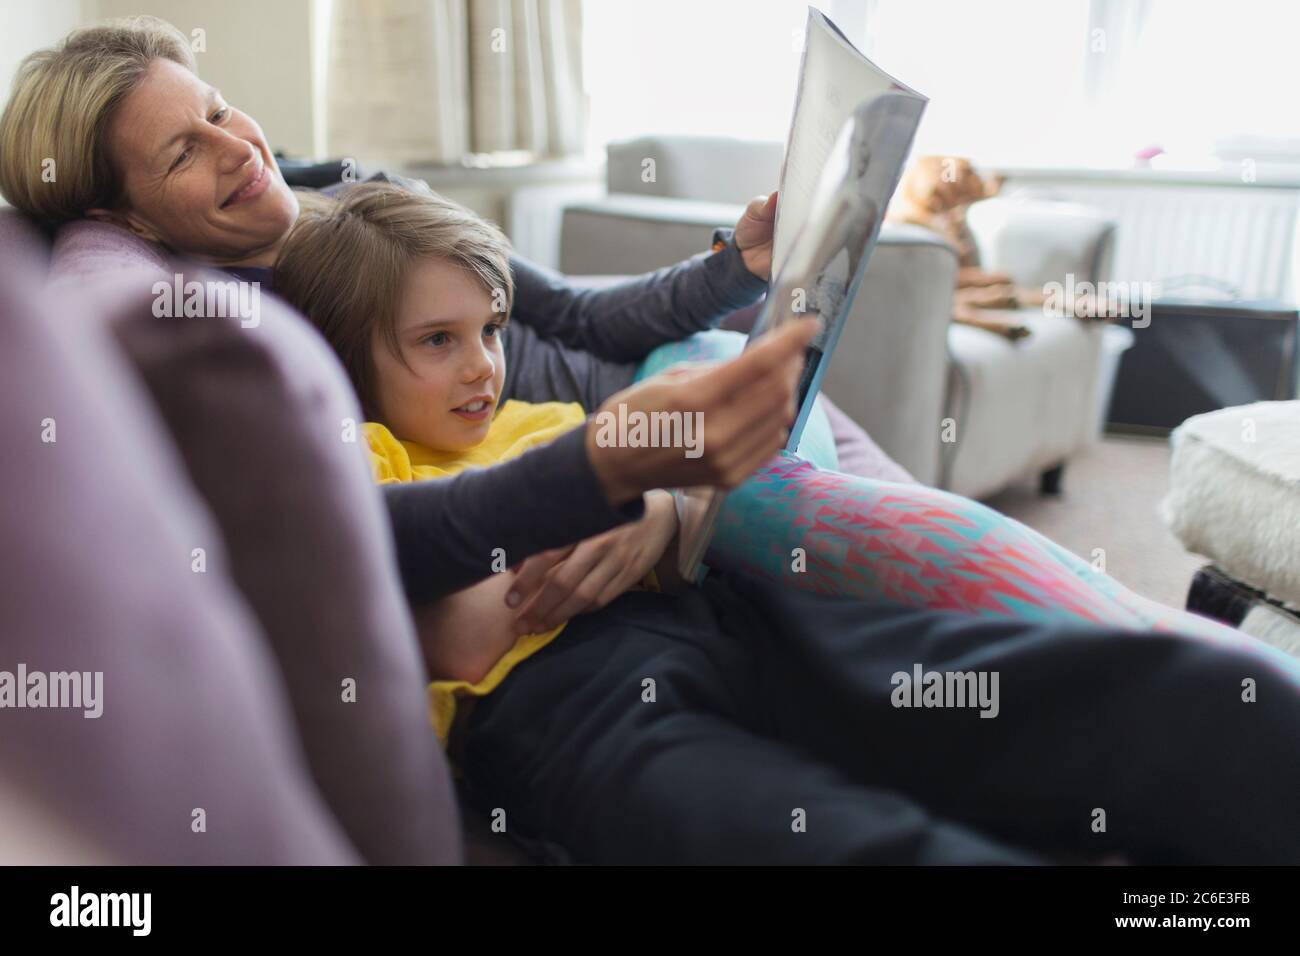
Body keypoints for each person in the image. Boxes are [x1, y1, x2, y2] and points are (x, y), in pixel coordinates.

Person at [272, 182, 1300, 864]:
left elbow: (667, 505)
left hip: (753, 623)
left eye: (491, 330)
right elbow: (463, 629)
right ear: (342, 359)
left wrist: (660, 515)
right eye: (437, 341)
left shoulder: (543, 418)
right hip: (571, 710)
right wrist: (629, 510)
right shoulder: (358, 461)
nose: (481, 366)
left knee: (1211, 692)